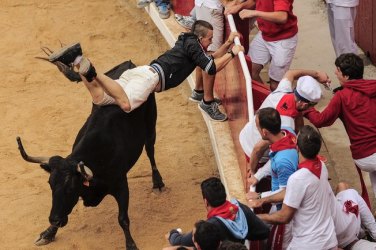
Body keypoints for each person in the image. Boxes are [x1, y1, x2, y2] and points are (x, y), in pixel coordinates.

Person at [48, 21, 244, 121]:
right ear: (200, 38)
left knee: (100, 99)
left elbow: (210, 59)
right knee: (125, 104)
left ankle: (77, 59)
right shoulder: (194, 46)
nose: (211, 42)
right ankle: (91, 70)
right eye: (210, 38)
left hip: (140, 73)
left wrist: (227, 44)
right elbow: (211, 67)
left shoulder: (191, 43)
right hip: (149, 80)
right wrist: (233, 53)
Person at [238, 69, 330, 187]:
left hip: (246, 135)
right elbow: (258, 149)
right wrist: (255, 172)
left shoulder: (283, 90)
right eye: (312, 106)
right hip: (254, 154)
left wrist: (317, 74)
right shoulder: (285, 125)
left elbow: (291, 73)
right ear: (304, 104)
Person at [304, 53, 376, 198]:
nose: (336, 72)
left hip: (364, 157)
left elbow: (320, 120)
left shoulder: (341, 96)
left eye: (338, 70)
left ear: (347, 76)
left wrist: (306, 107)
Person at [256, 125, 339, 249]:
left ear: (297, 147)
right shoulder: (322, 166)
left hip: (307, 244)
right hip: (329, 240)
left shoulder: (297, 178)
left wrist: (257, 217)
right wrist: (263, 199)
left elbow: (284, 216)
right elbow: (292, 192)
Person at [246, 107, 298, 249]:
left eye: (257, 126)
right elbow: (274, 160)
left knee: (278, 245)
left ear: (264, 132)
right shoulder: (287, 132)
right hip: (279, 205)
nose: (257, 129)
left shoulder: (284, 161)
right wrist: (258, 175)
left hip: (286, 212)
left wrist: (260, 197)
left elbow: (285, 194)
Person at [165, 177, 269, 247]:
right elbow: (264, 231)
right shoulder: (239, 209)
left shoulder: (209, 227)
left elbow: (178, 242)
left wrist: (172, 233)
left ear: (206, 202)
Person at [226, 0, 298, 91]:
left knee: (275, 84)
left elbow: (282, 17)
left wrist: (254, 13)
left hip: (283, 39)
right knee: (249, 71)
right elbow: (255, 1)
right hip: (264, 34)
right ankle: (268, 99)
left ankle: (276, 101)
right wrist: (240, 6)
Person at [188, 0, 227, 104]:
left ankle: (199, 91)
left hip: (205, 6)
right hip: (211, 8)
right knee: (209, 55)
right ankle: (208, 101)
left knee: (203, 52)